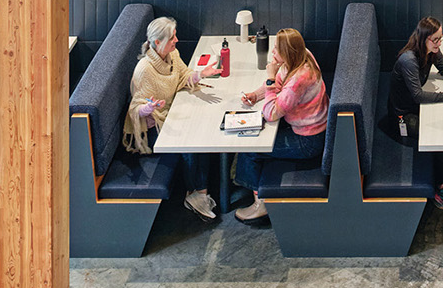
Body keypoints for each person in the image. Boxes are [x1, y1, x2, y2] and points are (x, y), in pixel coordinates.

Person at [123, 15, 219, 221]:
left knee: (200, 133)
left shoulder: (172, 55)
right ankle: (195, 193)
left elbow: (185, 75)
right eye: (172, 37)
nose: (176, 40)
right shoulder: (144, 70)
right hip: (151, 128)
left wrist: (201, 74)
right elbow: (135, 109)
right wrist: (148, 108)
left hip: (170, 112)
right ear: (157, 42)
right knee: (189, 142)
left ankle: (198, 192)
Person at [233, 28, 329, 223]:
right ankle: (243, 183)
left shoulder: (299, 80)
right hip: (304, 127)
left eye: (277, 48)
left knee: (249, 148)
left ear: (288, 53)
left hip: (308, 140)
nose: (273, 51)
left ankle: (261, 205)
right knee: (249, 139)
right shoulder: (303, 55)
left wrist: (269, 76)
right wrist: (255, 94)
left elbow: (271, 113)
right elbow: (278, 83)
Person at [389, 16, 443, 213]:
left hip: (415, 107)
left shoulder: (431, 50)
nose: (439, 43)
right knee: (440, 138)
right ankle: (439, 188)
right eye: (436, 39)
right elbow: (417, 96)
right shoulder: (409, 60)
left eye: (441, 38)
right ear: (424, 38)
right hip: (403, 116)